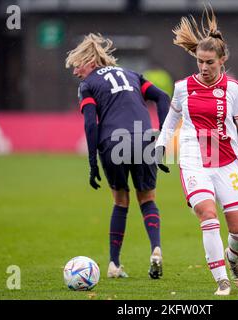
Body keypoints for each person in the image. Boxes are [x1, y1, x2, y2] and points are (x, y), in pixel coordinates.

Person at [155, 7, 238, 295]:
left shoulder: (233, 88)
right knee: (208, 215)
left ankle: (233, 260)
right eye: (200, 62)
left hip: (226, 162)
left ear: (222, 60)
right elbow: (172, 119)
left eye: (210, 62)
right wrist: (160, 145)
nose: (204, 67)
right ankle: (221, 280)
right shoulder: (183, 87)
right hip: (195, 160)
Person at [65, 33, 171, 279]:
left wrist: (92, 161)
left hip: (113, 142)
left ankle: (113, 264)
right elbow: (163, 98)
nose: (75, 72)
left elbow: (91, 123)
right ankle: (156, 249)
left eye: (77, 65)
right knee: (147, 199)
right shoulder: (132, 75)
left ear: (90, 61)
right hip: (143, 137)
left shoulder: (88, 84)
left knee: (120, 201)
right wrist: (163, 141)